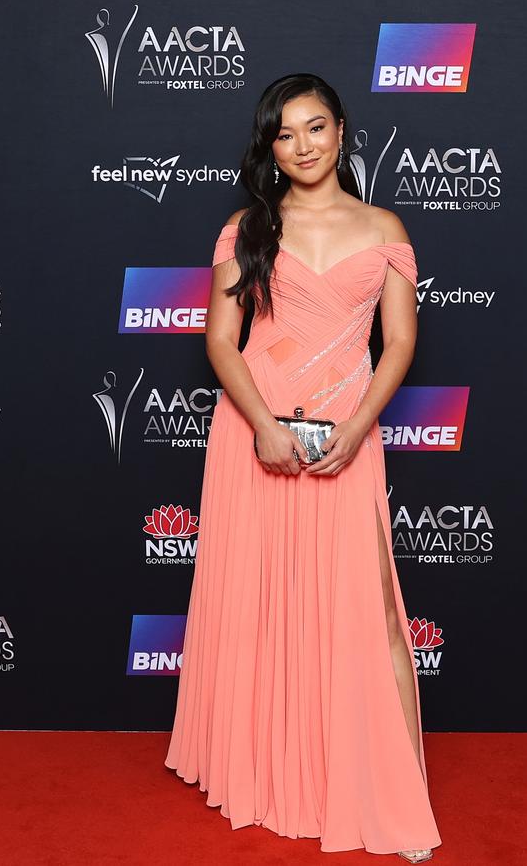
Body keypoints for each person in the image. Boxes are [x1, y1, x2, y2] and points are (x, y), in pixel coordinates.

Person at [164, 73, 442, 863]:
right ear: (271, 148)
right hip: (255, 433)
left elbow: (400, 342)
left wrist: (359, 426)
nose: (303, 146)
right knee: (256, 601)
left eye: (315, 128)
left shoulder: (383, 225)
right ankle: (266, 768)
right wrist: (261, 424)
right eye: (285, 135)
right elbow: (222, 340)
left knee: (375, 611)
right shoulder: (248, 227)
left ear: (343, 130)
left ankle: (400, 784)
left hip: (347, 434)